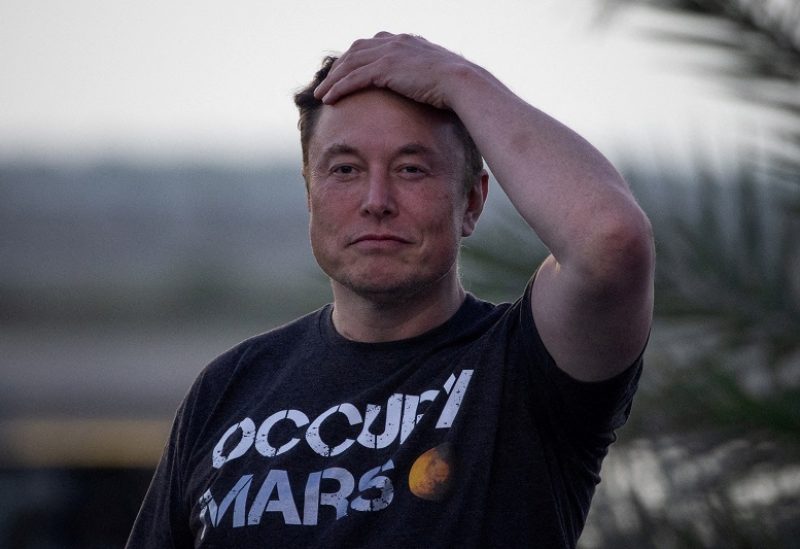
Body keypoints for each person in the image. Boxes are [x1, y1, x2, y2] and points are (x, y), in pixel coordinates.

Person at [126, 32, 654, 548]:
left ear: (471, 201)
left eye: (411, 169)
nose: (376, 200)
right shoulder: (229, 387)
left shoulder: (523, 370)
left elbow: (611, 241)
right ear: (311, 194)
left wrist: (456, 77)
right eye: (346, 169)